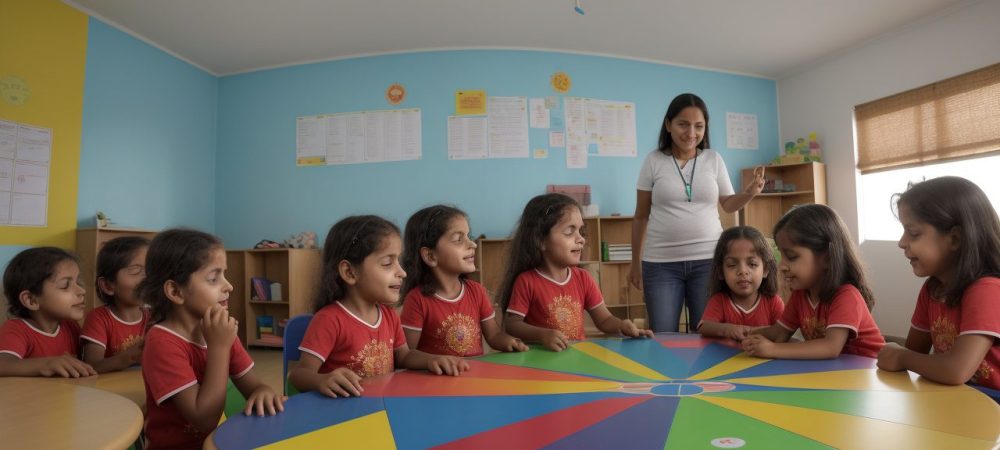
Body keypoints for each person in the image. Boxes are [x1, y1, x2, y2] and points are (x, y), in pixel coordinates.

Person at [289, 215, 470, 398]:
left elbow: (403, 356)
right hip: (344, 416)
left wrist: (432, 359)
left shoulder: (389, 315)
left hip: (381, 410)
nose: (402, 272)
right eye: (387, 263)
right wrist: (322, 380)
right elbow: (298, 375)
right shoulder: (329, 320)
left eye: (398, 261)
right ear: (349, 272)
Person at [629, 93, 765, 332]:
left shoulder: (713, 159)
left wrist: (750, 193)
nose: (691, 133)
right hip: (661, 263)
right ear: (668, 124)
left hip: (708, 261)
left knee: (707, 335)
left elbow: (728, 204)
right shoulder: (653, 161)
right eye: (683, 124)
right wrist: (635, 263)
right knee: (663, 336)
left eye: (698, 126)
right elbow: (641, 216)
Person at [138, 229, 284, 450]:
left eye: (224, 275)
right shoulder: (162, 343)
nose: (229, 286)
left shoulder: (218, 331)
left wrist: (263, 391)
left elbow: (254, 387)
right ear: (176, 291)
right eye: (213, 278)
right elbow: (204, 418)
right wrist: (219, 348)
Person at [877, 177, 1000, 390]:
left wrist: (901, 357)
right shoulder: (932, 290)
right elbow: (916, 351)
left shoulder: (987, 290)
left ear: (955, 239)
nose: (901, 242)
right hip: (961, 398)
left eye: (913, 233)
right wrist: (902, 356)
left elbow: (955, 370)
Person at [499, 193, 653, 352]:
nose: (581, 239)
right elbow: (513, 325)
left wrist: (622, 325)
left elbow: (605, 319)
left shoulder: (583, 278)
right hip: (541, 366)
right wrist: (542, 335)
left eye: (580, 231)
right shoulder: (527, 281)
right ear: (540, 240)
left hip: (575, 361)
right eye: (569, 231)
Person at [742, 205, 885, 359]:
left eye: (791, 256)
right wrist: (748, 333)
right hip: (837, 373)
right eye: (781, 255)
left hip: (872, 373)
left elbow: (830, 347)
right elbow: (779, 333)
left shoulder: (846, 295)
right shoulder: (800, 295)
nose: (782, 266)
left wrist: (772, 349)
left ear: (827, 258)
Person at [400, 205, 528, 356]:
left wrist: (510, 341)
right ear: (430, 256)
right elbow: (406, 355)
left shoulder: (477, 291)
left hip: (474, 378)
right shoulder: (417, 300)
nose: (473, 244)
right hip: (437, 380)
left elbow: (493, 336)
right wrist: (433, 361)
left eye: (469, 236)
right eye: (458, 239)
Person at [0, 247, 95, 377]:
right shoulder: (17, 330)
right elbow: (3, 365)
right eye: (65, 285)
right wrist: (47, 364)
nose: (82, 291)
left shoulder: (71, 327)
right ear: (31, 300)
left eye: (78, 282)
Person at [698, 226, 784, 341]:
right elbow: (704, 327)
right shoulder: (719, 301)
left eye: (752, 264)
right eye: (732, 265)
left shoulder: (773, 302)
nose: (743, 271)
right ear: (721, 272)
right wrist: (728, 329)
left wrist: (756, 333)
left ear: (766, 270)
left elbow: (783, 333)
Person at [81, 236, 150, 373]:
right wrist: (128, 357)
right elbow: (92, 367)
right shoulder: (98, 318)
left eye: (151, 270)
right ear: (108, 285)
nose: (148, 278)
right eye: (136, 271)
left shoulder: (154, 316)